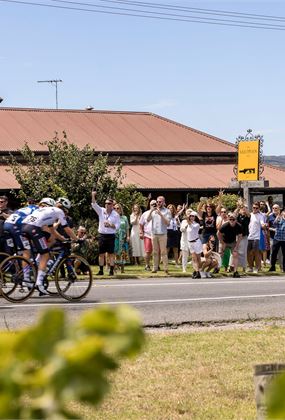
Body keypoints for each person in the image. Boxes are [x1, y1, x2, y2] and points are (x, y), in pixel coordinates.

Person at [22, 197, 78, 295]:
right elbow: (67, 229)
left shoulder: (49, 212)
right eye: (66, 212)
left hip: (23, 228)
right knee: (46, 255)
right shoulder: (58, 211)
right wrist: (77, 239)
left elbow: (53, 232)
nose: (65, 214)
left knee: (49, 239)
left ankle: (29, 272)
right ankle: (39, 283)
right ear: (64, 209)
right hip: (33, 229)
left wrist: (64, 239)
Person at [91, 191, 120, 276]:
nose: (107, 205)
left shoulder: (116, 215)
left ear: (112, 205)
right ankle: (101, 271)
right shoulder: (101, 211)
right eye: (106, 203)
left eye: (109, 203)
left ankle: (111, 270)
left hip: (111, 235)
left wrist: (111, 225)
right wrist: (93, 195)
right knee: (101, 254)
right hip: (102, 235)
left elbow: (117, 226)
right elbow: (94, 204)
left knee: (111, 254)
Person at [147, 195, 171, 274]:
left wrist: (160, 214)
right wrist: (151, 210)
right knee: (155, 252)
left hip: (163, 234)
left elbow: (167, 223)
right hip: (154, 234)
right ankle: (155, 268)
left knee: (163, 252)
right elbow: (147, 219)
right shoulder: (153, 211)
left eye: (160, 202)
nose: (158, 203)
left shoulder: (167, 211)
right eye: (157, 202)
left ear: (163, 202)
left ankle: (165, 268)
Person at [217, 212, 243, 278]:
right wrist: (222, 242)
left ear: (236, 220)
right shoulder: (225, 225)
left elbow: (240, 236)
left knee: (235, 254)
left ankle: (235, 271)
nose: (231, 221)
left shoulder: (239, 226)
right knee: (220, 254)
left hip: (232, 242)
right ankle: (217, 268)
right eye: (230, 219)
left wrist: (236, 246)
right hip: (224, 241)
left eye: (233, 219)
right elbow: (218, 234)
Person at [247, 202, 266, 273]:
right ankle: (250, 267)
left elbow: (262, 223)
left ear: (258, 208)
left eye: (256, 208)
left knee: (256, 253)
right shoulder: (250, 214)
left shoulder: (260, 216)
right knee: (249, 253)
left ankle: (257, 267)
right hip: (249, 236)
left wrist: (264, 225)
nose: (255, 209)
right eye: (254, 207)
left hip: (256, 237)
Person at [139, 199, 156, 271]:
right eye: (153, 204)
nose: (154, 205)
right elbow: (141, 224)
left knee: (156, 251)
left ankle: (156, 266)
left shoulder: (159, 213)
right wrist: (141, 232)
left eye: (155, 204)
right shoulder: (145, 213)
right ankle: (147, 265)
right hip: (147, 234)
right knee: (148, 251)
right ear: (150, 205)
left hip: (157, 235)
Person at [186, 211, 203, 279]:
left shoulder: (196, 225)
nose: (191, 217)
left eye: (193, 216)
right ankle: (197, 272)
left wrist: (197, 214)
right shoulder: (188, 224)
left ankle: (197, 271)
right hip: (190, 243)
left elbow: (201, 221)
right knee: (194, 258)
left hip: (196, 242)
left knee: (198, 259)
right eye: (190, 216)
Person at [114, 203, 130, 273]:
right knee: (117, 252)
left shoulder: (124, 217)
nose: (116, 210)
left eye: (118, 208)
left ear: (120, 209)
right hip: (116, 236)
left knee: (123, 252)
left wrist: (128, 236)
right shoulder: (113, 217)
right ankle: (116, 266)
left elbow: (127, 228)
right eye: (115, 208)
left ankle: (122, 268)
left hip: (123, 237)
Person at [268, 208, 285, 273]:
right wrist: (277, 217)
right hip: (277, 238)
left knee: (284, 254)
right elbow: (274, 224)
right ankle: (272, 267)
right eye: (283, 212)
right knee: (274, 253)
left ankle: (284, 268)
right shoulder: (279, 218)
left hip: (284, 239)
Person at [180, 209, 192, 273]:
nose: (189, 214)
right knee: (185, 255)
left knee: (194, 256)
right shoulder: (184, 221)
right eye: (188, 213)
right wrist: (187, 225)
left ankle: (196, 269)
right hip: (184, 240)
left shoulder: (194, 221)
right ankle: (184, 269)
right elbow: (181, 230)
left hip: (192, 241)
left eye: (190, 213)